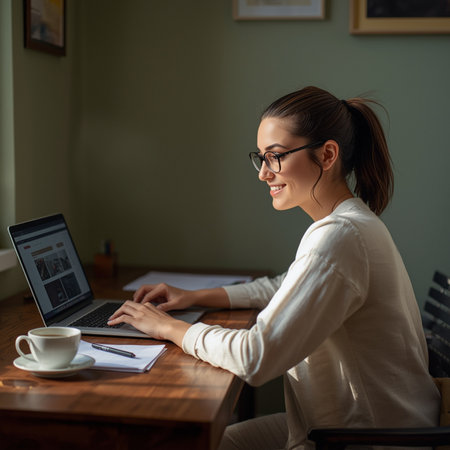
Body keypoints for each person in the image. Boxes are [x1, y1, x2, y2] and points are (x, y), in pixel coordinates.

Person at [108, 86, 440, 449]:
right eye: (261, 157)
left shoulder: (341, 236)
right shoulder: (351, 223)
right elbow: (286, 285)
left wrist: (170, 328)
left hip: (367, 439)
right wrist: (196, 296)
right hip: (354, 426)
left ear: (328, 155)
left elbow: (256, 357)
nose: (264, 174)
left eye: (276, 156)